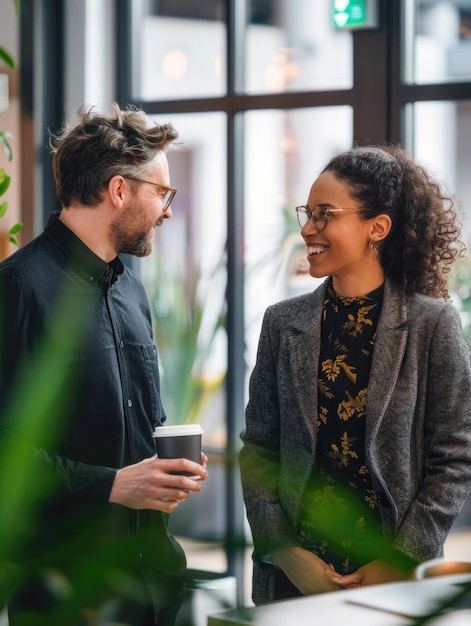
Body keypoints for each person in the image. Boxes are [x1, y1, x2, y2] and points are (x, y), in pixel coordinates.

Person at [0, 103, 208, 625]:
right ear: (119, 190)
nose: (167, 210)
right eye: (162, 193)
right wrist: (114, 485)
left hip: (157, 586)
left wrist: (169, 472)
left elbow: (143, 420)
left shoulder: (132, 288)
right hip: (68, 595)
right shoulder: (17, 289)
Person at [239, 144, 471, 605]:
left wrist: (401, 557)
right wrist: (284, 551)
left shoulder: (433, 324)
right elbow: (260, 450)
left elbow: (455, 458)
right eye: (308, 213)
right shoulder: (282, 323)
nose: (307, 228)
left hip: (397, 582)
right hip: (294, 582)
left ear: (377, 228)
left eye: (324, 214)